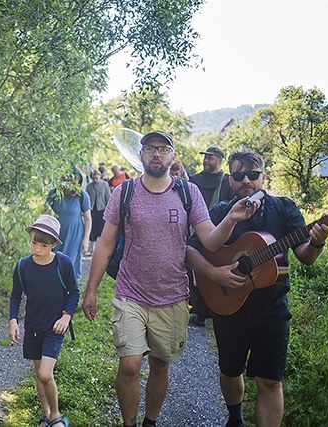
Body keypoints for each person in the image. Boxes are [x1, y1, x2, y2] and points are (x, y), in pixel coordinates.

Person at [81, 131, 257, 427]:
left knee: (160, 365)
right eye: (150, 148)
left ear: (172, 156)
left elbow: (210, 241)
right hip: (131, 293)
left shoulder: (188, 193)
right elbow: (106, 243)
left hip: (173, 296)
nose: (156, 154)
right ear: (141, 155)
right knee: (130, 365)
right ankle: (130, 424)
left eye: (163, 149)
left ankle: (150, 421)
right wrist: (91, 291)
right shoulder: (124, 192)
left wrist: (231, 219)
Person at [186, 150, 328, 427]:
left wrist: (316, 242)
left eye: (253, 175)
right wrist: (215, 273)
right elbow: (190, 250)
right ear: (230, 180)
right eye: (239, 176)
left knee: (270, 379)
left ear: (263, 177)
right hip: (229, 308)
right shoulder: (219, 212)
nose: (246, 181)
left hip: (273, 309)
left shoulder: (284, 209)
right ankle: (235, 418)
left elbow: (305, 256)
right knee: (230, 371)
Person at [9, 214, 79, 427]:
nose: (37, 249)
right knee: (39, 374)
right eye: (34, 242)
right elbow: (15, 295)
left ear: (54, 245)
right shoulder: (23, 266)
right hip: (33, 327)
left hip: (54, 329)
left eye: (43, 245)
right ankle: (46, 414)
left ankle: (57, 416)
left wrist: (66, 316)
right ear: (30, 238)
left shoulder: (63, 264)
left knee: (45, 374)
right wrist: (13, 320)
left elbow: (74, 292)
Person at [188, 146, 235, 326]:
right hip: (193, 230)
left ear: (219, 161)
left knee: (214, 268)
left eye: (211, 158)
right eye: (206, 157)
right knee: (193, 268)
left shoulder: (226, 182)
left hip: (219, 231)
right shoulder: (194, 181)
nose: (207, 161)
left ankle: (213, 308)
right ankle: (196, 309)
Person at [46, 171, 92, 283]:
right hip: (57, 233)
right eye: (71, 180)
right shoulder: (54, 193)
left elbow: (88, 219)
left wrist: (86, 240)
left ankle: (70, 292)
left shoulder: (82, 196)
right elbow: (45, 214)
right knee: (54, 261)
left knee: (70, 264)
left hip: (75, 234)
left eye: (76, 180)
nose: (74, 183)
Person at [86, 169, 111, 255]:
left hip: (102, 210)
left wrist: (109, 209)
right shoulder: (89, 187)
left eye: (97, 178)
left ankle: (101, 249)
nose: (95, 180)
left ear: (100, 177)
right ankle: (92, 249)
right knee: (93, 229)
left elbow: (108, 197)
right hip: (92, 210)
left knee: (102, 229)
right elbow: (87, 199)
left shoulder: (104, 185)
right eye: (94, 178)